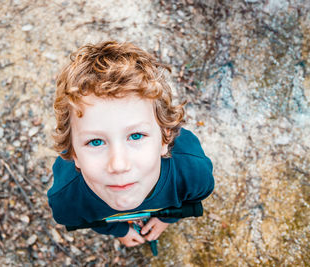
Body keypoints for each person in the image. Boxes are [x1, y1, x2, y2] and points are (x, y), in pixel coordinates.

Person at [48, 41, 214, 247]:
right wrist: (118, 230)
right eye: (96, 141)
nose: (118, 165)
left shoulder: (194, 174)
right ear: (73, 153)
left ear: (165, 138)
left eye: (136, 136)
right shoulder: (66, 200)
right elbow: (87, 219)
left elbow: (194, 199)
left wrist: (166, 218)